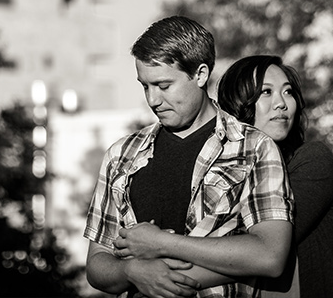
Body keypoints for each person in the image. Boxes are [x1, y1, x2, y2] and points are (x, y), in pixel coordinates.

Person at [84, 17, 295, 298]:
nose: (152, 100)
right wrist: (130, 272)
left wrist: (162, 244)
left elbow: (270, 256)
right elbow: (97, 264)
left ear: (201, 74)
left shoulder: (254, 148)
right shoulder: (121, 155)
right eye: (145, 86)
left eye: (163, 85)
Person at [217, 56, 333, 298]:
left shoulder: (311, 161)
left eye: (287, 92)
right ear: (237, 103)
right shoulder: (218, 173)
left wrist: (169, 266)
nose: (281, 103)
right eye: (266, 92)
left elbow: (261, 250)